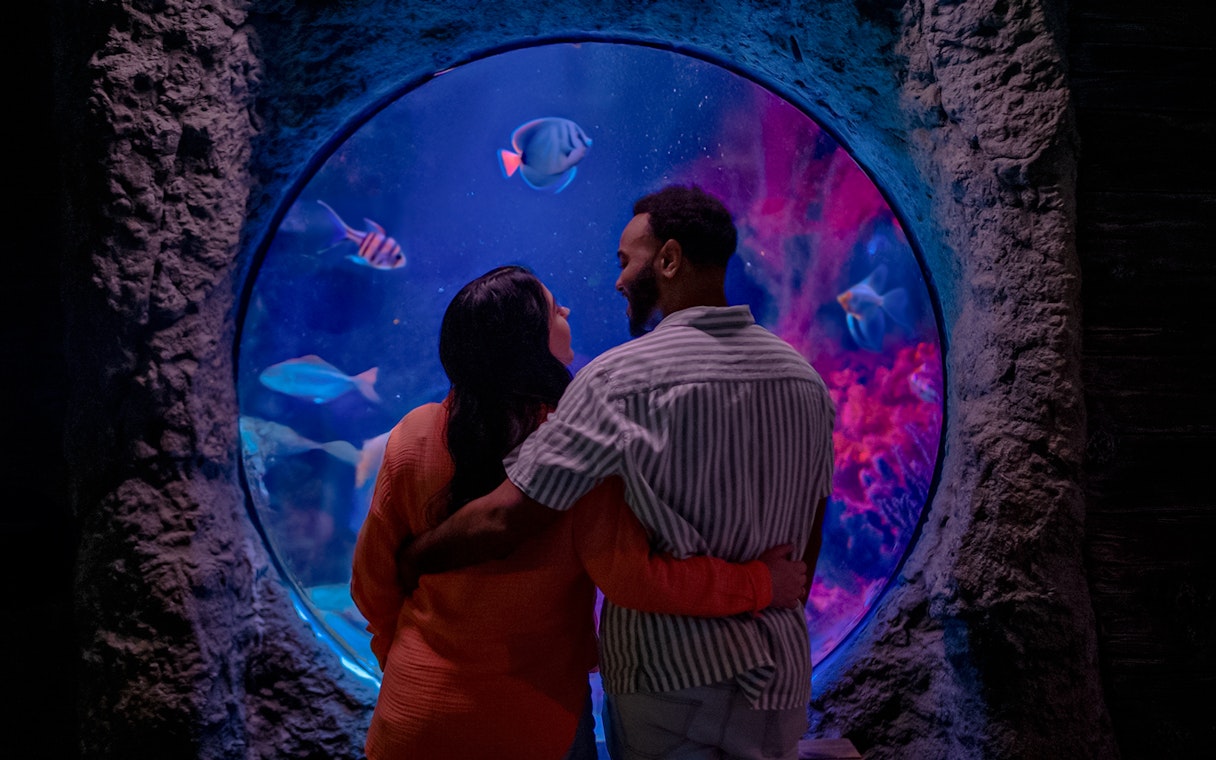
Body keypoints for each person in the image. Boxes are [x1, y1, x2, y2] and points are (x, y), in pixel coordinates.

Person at [398, 185, 836, 759]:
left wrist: (417, 554)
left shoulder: (618, 380)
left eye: (626, 261)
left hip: (668, 681)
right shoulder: (804, 378)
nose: (617, 280)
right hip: (778, 679)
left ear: (670, 260)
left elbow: (509, 517)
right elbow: (809, 537)